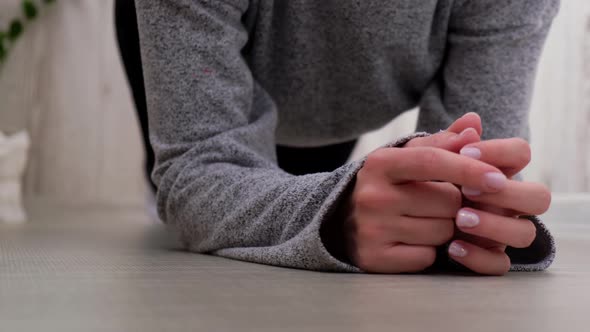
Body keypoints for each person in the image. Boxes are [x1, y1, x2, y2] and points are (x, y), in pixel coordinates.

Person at [122, 0, 559, 275]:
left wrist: (469, 210)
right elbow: (197, 171)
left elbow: (475, 179)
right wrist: (334, 211)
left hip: (348, 105)